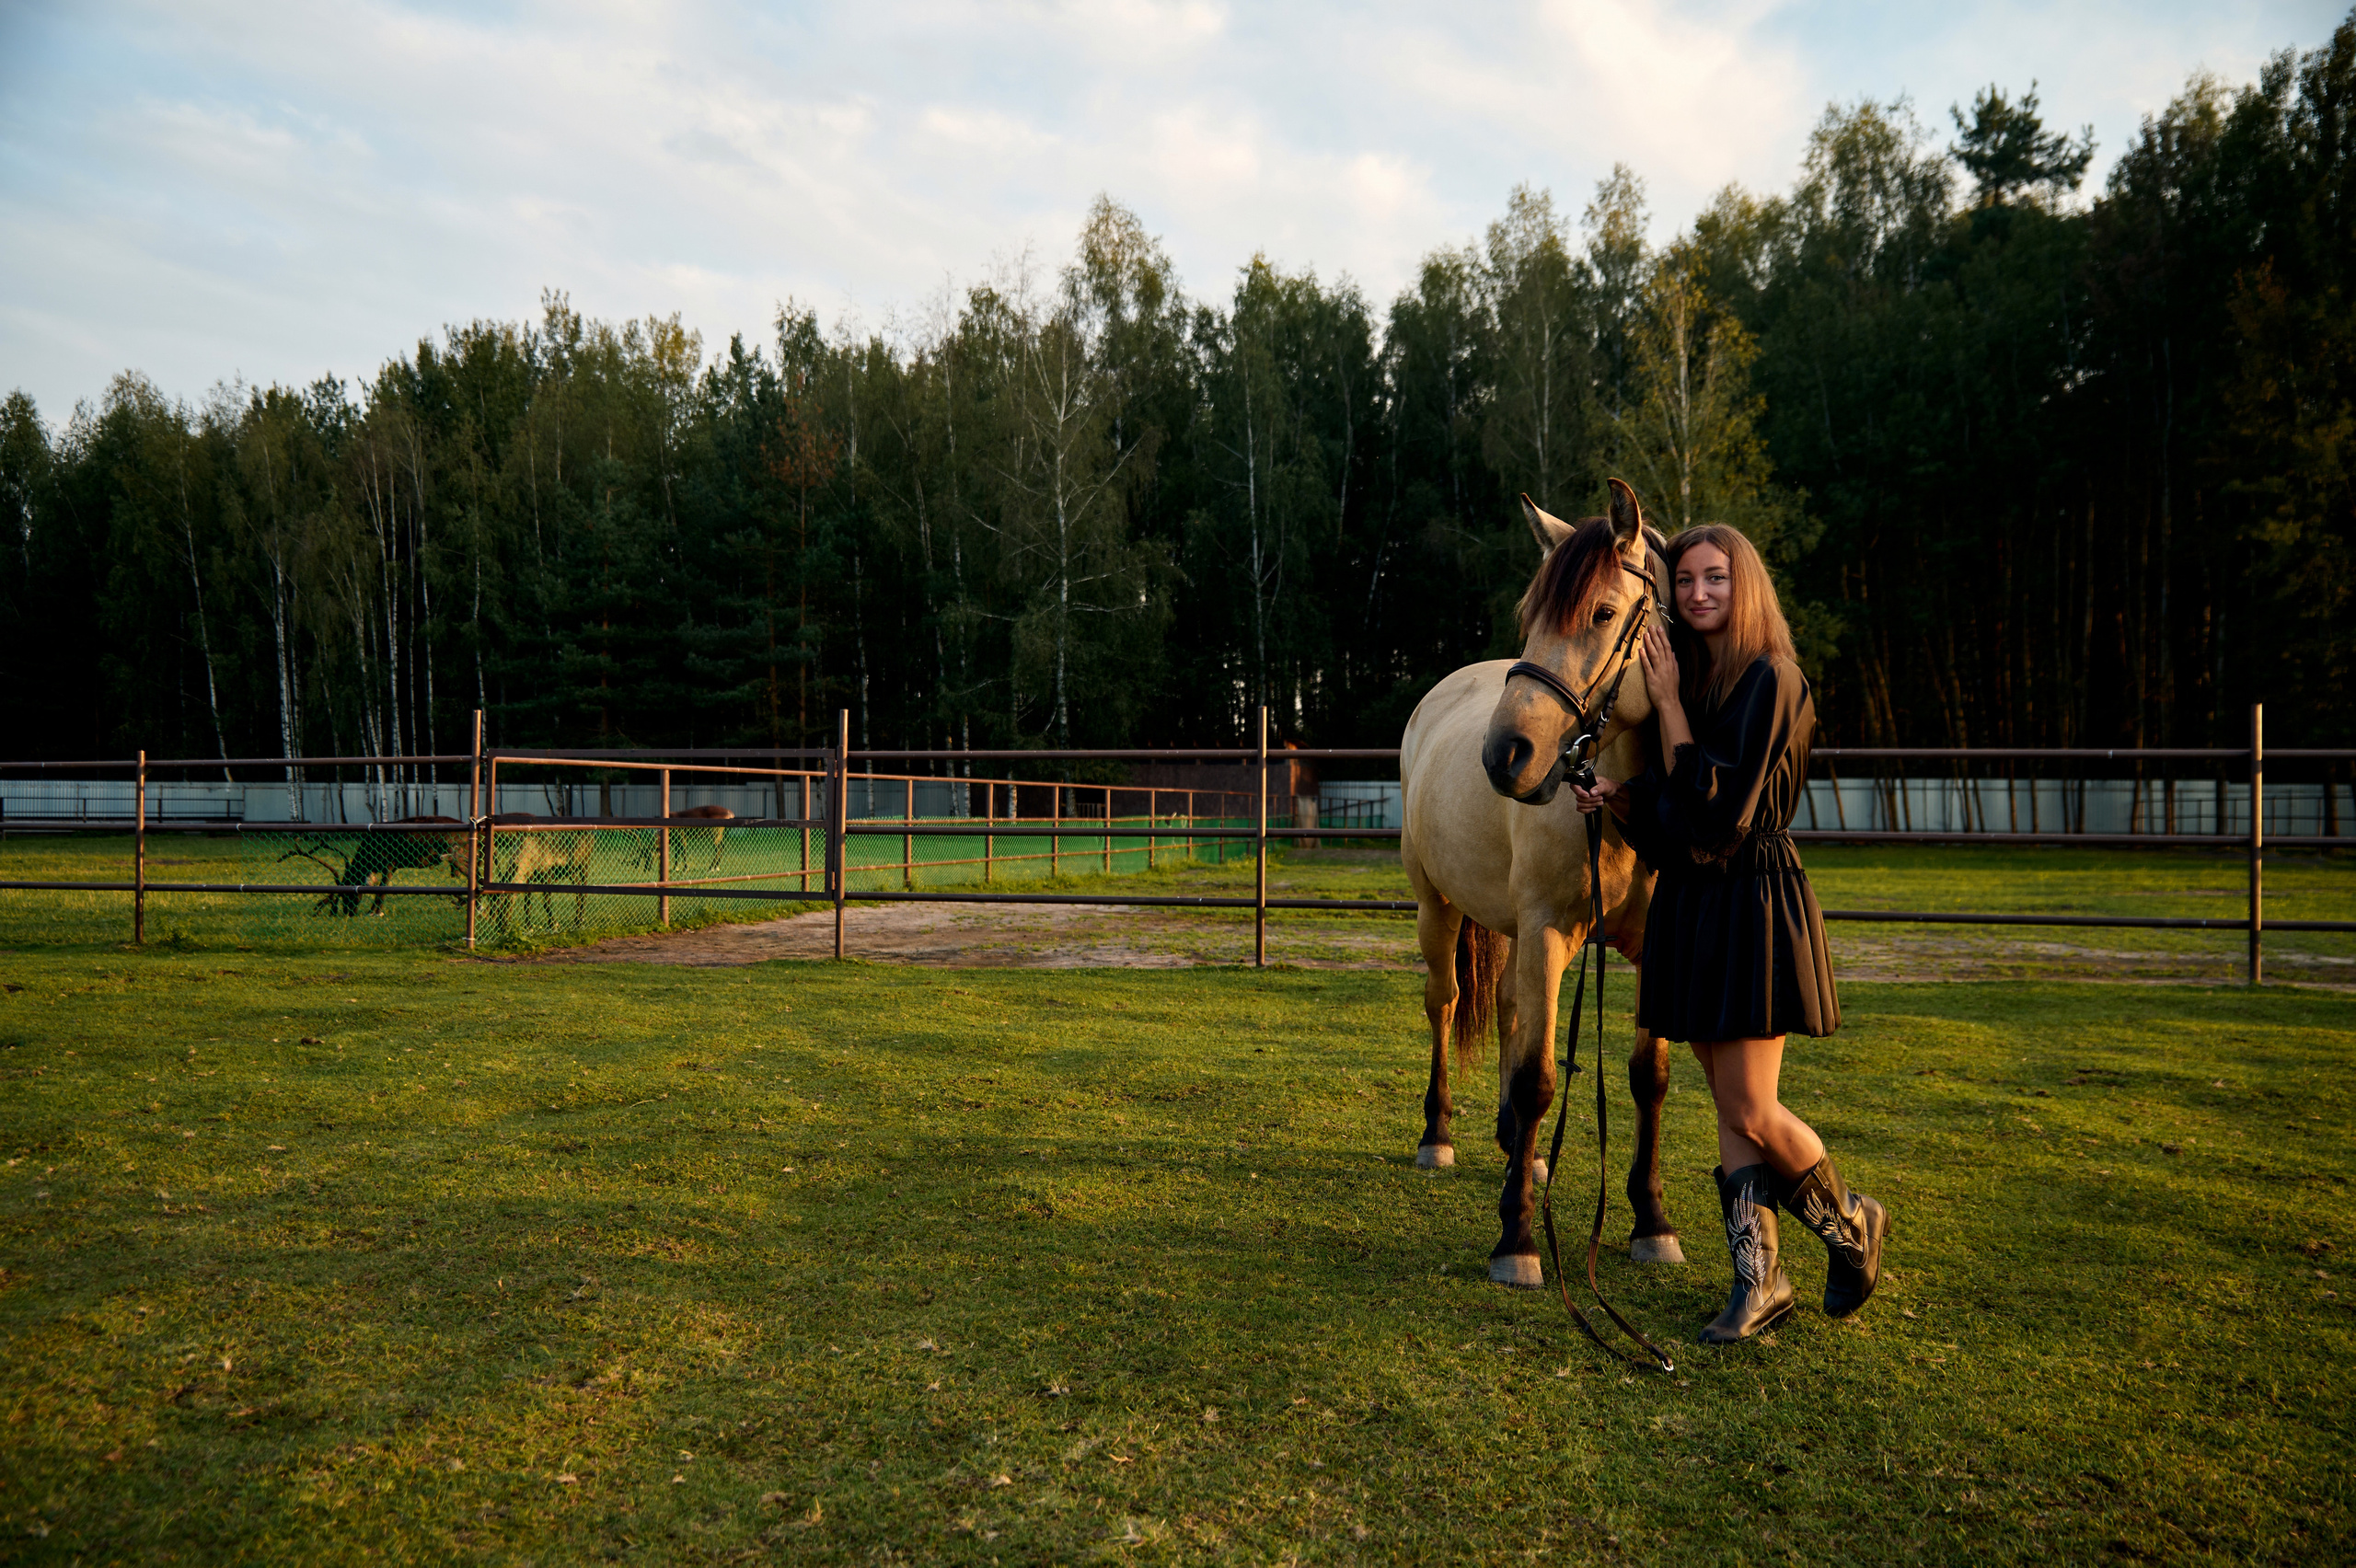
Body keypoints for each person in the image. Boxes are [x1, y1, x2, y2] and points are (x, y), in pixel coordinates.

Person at [1570, 524, 1888, 1344]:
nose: (1698, 593)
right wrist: (1619, 797)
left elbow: (1716, 811)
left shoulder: (1772, 680)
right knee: (1728, 1104)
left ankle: (1851, 1222)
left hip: (1751, 900)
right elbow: (1676, 813)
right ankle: (1760, 1281)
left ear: (1745, 586)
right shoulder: (1707, 682)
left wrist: (1669, 705)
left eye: (1715, 579)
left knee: (1751, 1101)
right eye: (1684, 582)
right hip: (1696, 901)